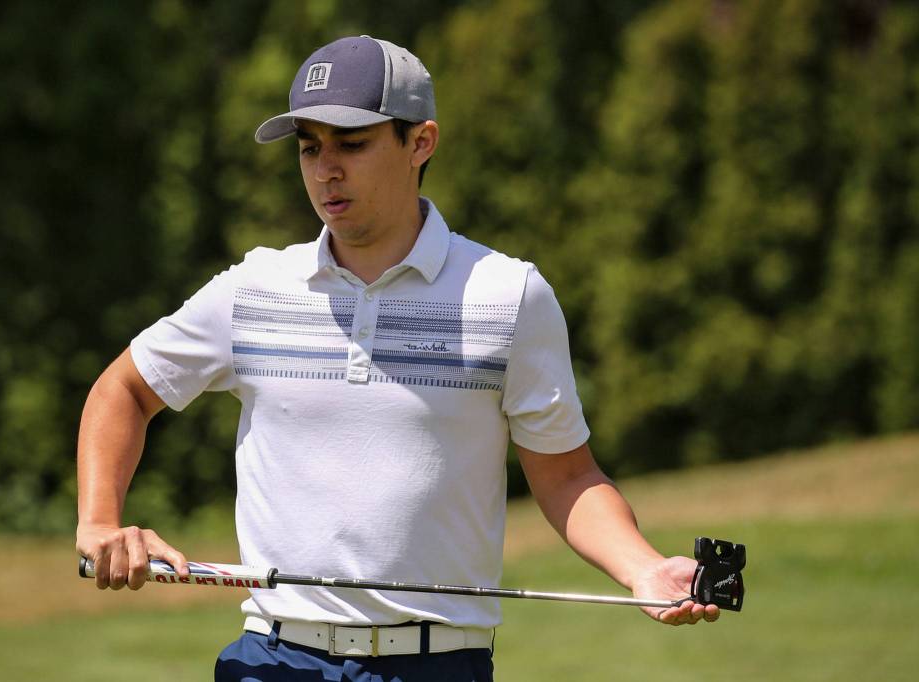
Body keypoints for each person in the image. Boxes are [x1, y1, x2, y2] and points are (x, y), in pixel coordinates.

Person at [75, 35, 720, 682]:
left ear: (421, 143)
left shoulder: (509, 296)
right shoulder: (253, 289)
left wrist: (642, 567)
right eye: (309, 147)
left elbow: (567, 477)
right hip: (273, 662)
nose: (325, 168)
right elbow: (125, 390)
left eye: (351, 144)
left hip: (437, 667)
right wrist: (101, 522)